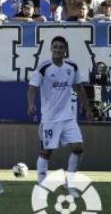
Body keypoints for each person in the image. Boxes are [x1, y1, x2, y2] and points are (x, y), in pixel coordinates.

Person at [28, 36, 88, 192]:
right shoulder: (43, 67)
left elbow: (79, 87)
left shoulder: (72, 67)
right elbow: (32, 88)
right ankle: (41, 183)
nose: (58, 50)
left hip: (68, 116)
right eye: (55, 47)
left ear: (65, 50)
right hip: (50, 118)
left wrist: (86, 107)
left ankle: (70, 183)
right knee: (46, 152)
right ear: (51, 49)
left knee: (78, 147)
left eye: (61, 47)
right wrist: (31, 103)